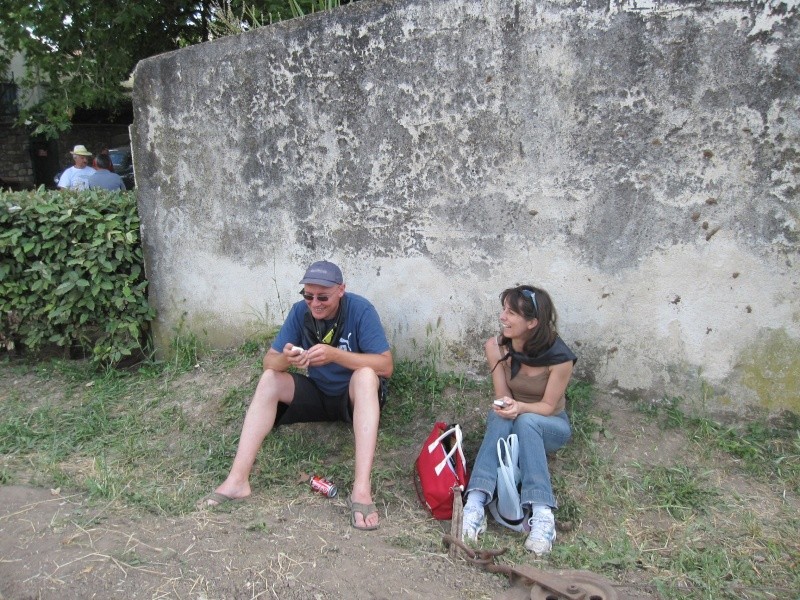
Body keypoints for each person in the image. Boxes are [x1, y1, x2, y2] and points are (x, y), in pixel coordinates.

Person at [198, 260, 394, 530]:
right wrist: (287, 360)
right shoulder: (299, 313)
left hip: (352, 397)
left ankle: (361, 490)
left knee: (366, 376)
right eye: (309, 295)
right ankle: (237, 481)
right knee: (269, 379)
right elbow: (269, 362)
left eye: (323, 296)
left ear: (341, 291)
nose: (315, 303)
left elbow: (386, 365)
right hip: (317, 393)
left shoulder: (360, 310)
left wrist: (335, 355)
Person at [462, 285, 577, 555]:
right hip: (518, 418)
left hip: (551, 424)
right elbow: (503, 396)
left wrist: (520, 408)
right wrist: (508, 407)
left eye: (511, 313)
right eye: (504, 310)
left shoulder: (560, 358)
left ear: (532, 322)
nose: (503, 317)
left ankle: (542, 514)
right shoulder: (496, 347)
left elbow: (548, 407)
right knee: (499, 414)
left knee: (526, 421)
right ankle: (475, 503)